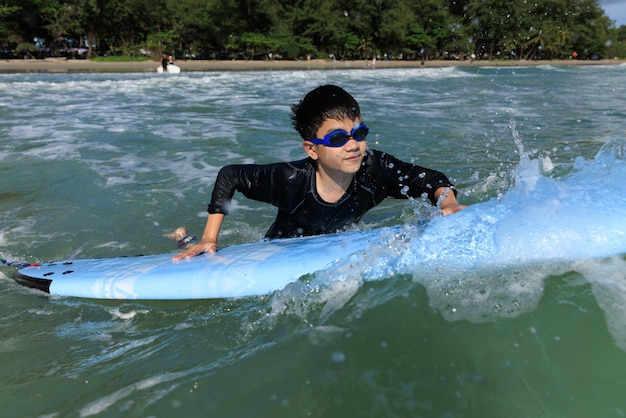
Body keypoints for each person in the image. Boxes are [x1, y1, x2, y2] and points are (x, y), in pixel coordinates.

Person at [173, 85, 465, 261]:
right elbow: (230, 176)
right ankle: (185, 237)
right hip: (281, 251)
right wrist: (211, 238)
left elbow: (429, 180)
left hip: (335, 240)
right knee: (193, 243)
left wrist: (447, 202)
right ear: (312, 149)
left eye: (359, 133)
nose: (353, 146)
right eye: (338, 139)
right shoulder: (291, 180)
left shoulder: (375, 170)